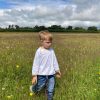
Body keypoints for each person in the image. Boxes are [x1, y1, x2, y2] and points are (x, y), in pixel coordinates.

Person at [30, 30, 61, 100]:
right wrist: (34, 75)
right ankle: (33, 88)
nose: (49, 44)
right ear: (41, 41)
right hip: (41, 74)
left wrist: (57, 70)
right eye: (47, 42)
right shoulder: (39, 51)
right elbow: (35, 64)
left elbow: (54, 61)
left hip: (51, 74)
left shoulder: (51, 50)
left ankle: (49, 98)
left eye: (50, 42)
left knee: (51, 89)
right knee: (39, 86)